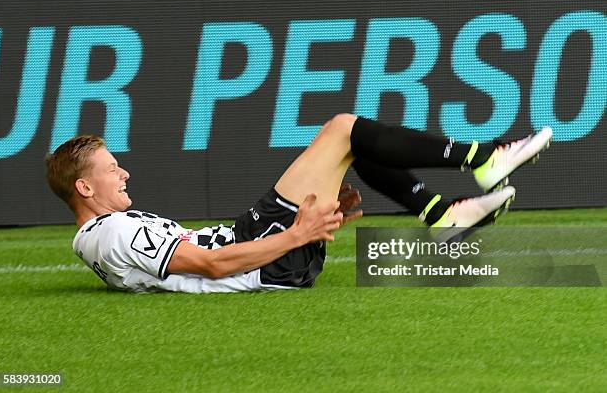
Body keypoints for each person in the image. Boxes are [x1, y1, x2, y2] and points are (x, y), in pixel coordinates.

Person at [45, 114, 552, 293]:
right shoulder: (110, 233)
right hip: (264, 252)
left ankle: (442, 213)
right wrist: (298, 235)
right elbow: (209, 264)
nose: (124, 171)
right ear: (84, 188)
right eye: (112, 169)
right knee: (342, 130)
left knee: (350, 144)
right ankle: (481, 161)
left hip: (263, 247)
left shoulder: (103, 234)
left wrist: (303, 228)